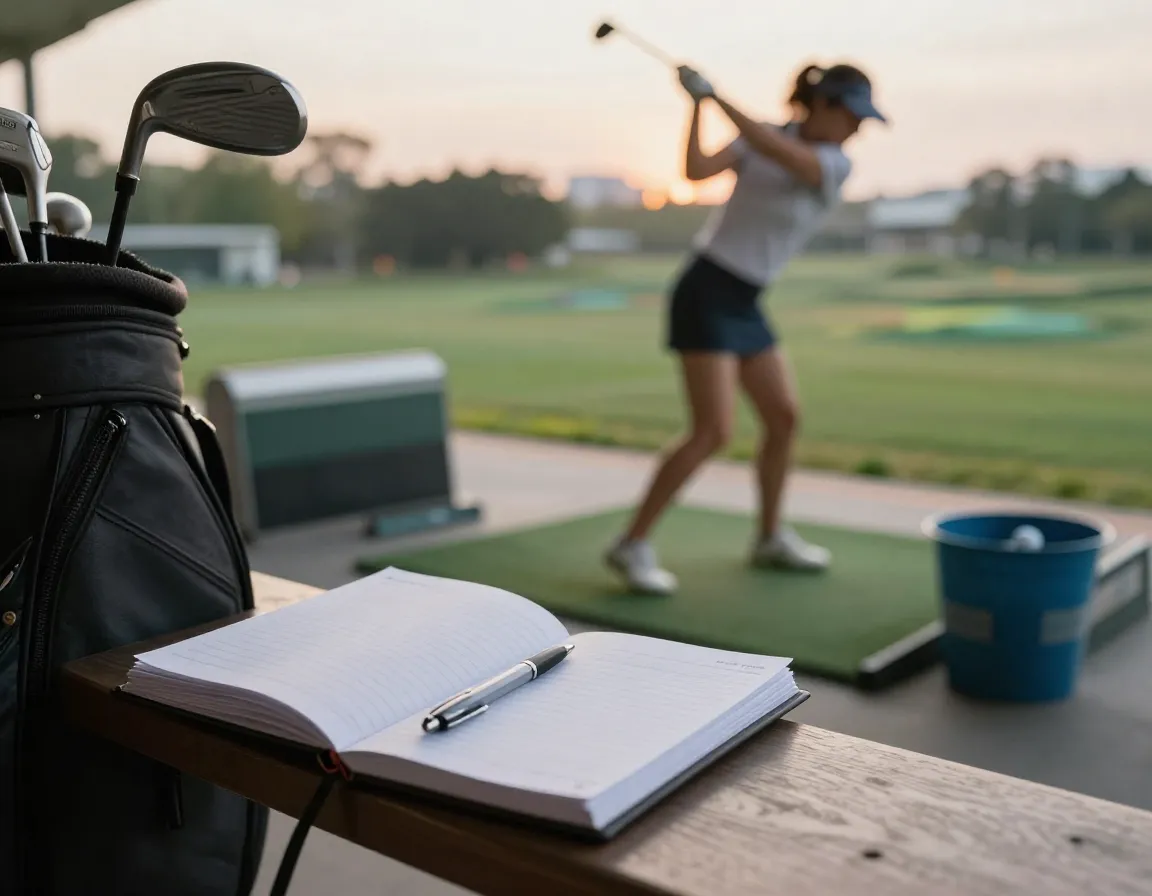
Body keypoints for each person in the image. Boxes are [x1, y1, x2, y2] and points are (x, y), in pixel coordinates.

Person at [604, 60, 887, 595]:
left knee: (782, 417)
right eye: (852, 115)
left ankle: (769, 537)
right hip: (707, 289)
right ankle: (632, 543)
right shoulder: (766, 138)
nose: (858, 129)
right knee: (712, 431)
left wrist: (717, 97)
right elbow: (696, 171)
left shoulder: (831, 163)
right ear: (823, 104)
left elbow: (779, 150)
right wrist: (697, 107)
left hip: (746, 298)